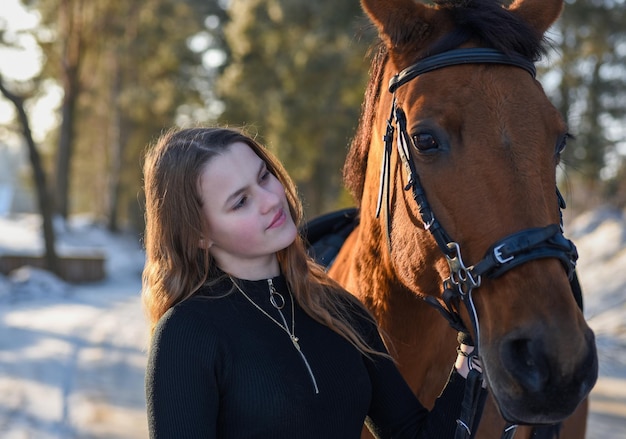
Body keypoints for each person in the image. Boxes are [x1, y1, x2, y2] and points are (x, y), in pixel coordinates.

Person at [142, 126, 486, 439]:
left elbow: (413, 435)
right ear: (199, 235)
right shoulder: (186, 334)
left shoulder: (339, 310)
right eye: (241, 201)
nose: (271, 200)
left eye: (264, 177)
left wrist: (471, 349)